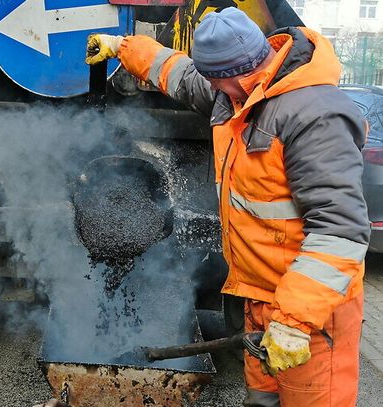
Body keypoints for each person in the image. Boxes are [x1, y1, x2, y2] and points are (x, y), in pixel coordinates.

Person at [86, 7, 370, 407]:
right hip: (261, 302)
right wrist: (122, 47)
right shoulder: (234, 92)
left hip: (311, 319)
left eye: (219, 82)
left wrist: (293, 321)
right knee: (262, 401)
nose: (215, 91)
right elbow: (177, 72)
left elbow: (340, 233)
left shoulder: (314, 117)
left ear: (238, 71)